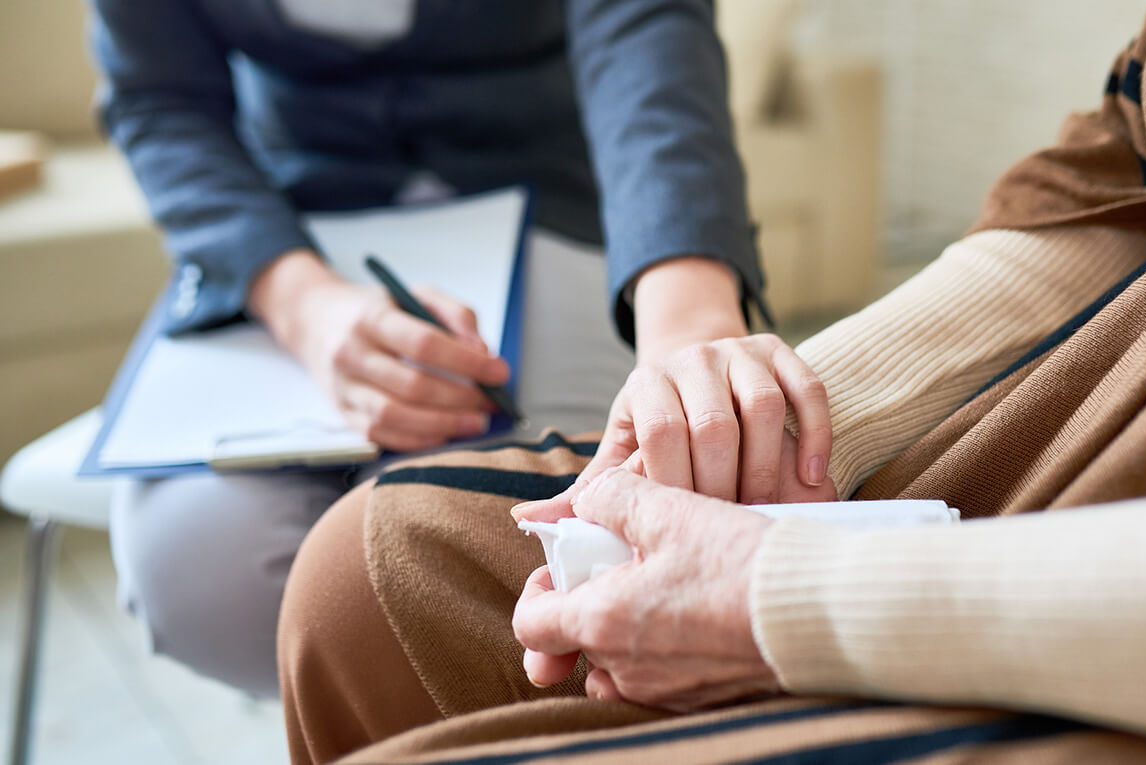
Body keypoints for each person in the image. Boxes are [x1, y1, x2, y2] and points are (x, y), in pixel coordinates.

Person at [278, 0, 1146, 762]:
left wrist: (785, 603)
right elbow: (1129, 162)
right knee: (365, 574)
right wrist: (782, 420)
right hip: (1110, 381)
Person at [90, 0, 836, 697]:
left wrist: (688, 318)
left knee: (540, 560)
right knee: (198, 579)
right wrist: (305, 307)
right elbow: (159, 100)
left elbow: (644, 29)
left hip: (556, 202)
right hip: (285, 237)